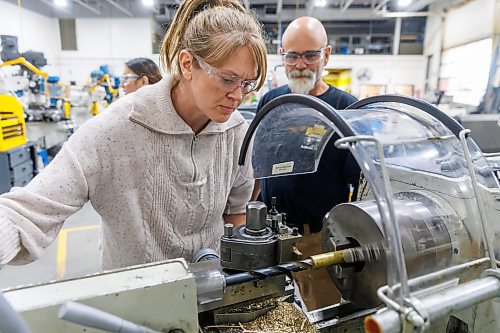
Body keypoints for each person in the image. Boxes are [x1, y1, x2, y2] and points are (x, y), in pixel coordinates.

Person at [0, 0, 267, 271]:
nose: (238, 95)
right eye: (227, 79)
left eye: (247, 84)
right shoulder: (114, 130)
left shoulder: (236, 132)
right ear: (187, 64)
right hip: (134, 299)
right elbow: (27, 212)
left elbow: (237, 212)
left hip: (212, 289)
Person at [255, 16, 360, 311]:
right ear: (282, 56)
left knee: (320, 311)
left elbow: (357, 181)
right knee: (272, 310)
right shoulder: (271, 101)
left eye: (310, 55)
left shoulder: (345, 107)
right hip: (268, 233)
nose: (300, 64)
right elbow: (256, 165)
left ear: (326, 55)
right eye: (292, 55)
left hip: (316, 238)